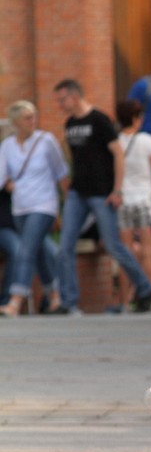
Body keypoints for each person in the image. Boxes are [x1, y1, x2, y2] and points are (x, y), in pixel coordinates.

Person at [52, 79, 151, 315]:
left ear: (75, 96)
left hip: (102, 193)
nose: (59, 105)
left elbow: (118, 154)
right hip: (78, 192)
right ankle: (68, 301)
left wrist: (117, 189)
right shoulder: (70, 123)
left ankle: (144, 288)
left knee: (113, 244)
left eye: (62, 99)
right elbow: (74, 158)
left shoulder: (99, 120)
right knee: (65, 245)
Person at [0, 100, 69, 316]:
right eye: (27, 118)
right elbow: (1, 175)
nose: (32, 121)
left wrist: (65, 208)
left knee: (26, 249)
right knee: (39, 251)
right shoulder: (8, 145)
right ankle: (55, 296)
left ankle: (15, 300)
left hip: (44, 204)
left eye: (33, 116)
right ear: (15, 122)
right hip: (20, 207)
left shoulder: (46, 141)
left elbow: (61, 173)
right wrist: (9, 184)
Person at [115, 99, 151, 309]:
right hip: (144, 199)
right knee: (148, 251)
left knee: (126, 254)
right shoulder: (148, 140)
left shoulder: (115, 141)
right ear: (135, 118)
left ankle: (125, 301)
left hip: (123, 200)